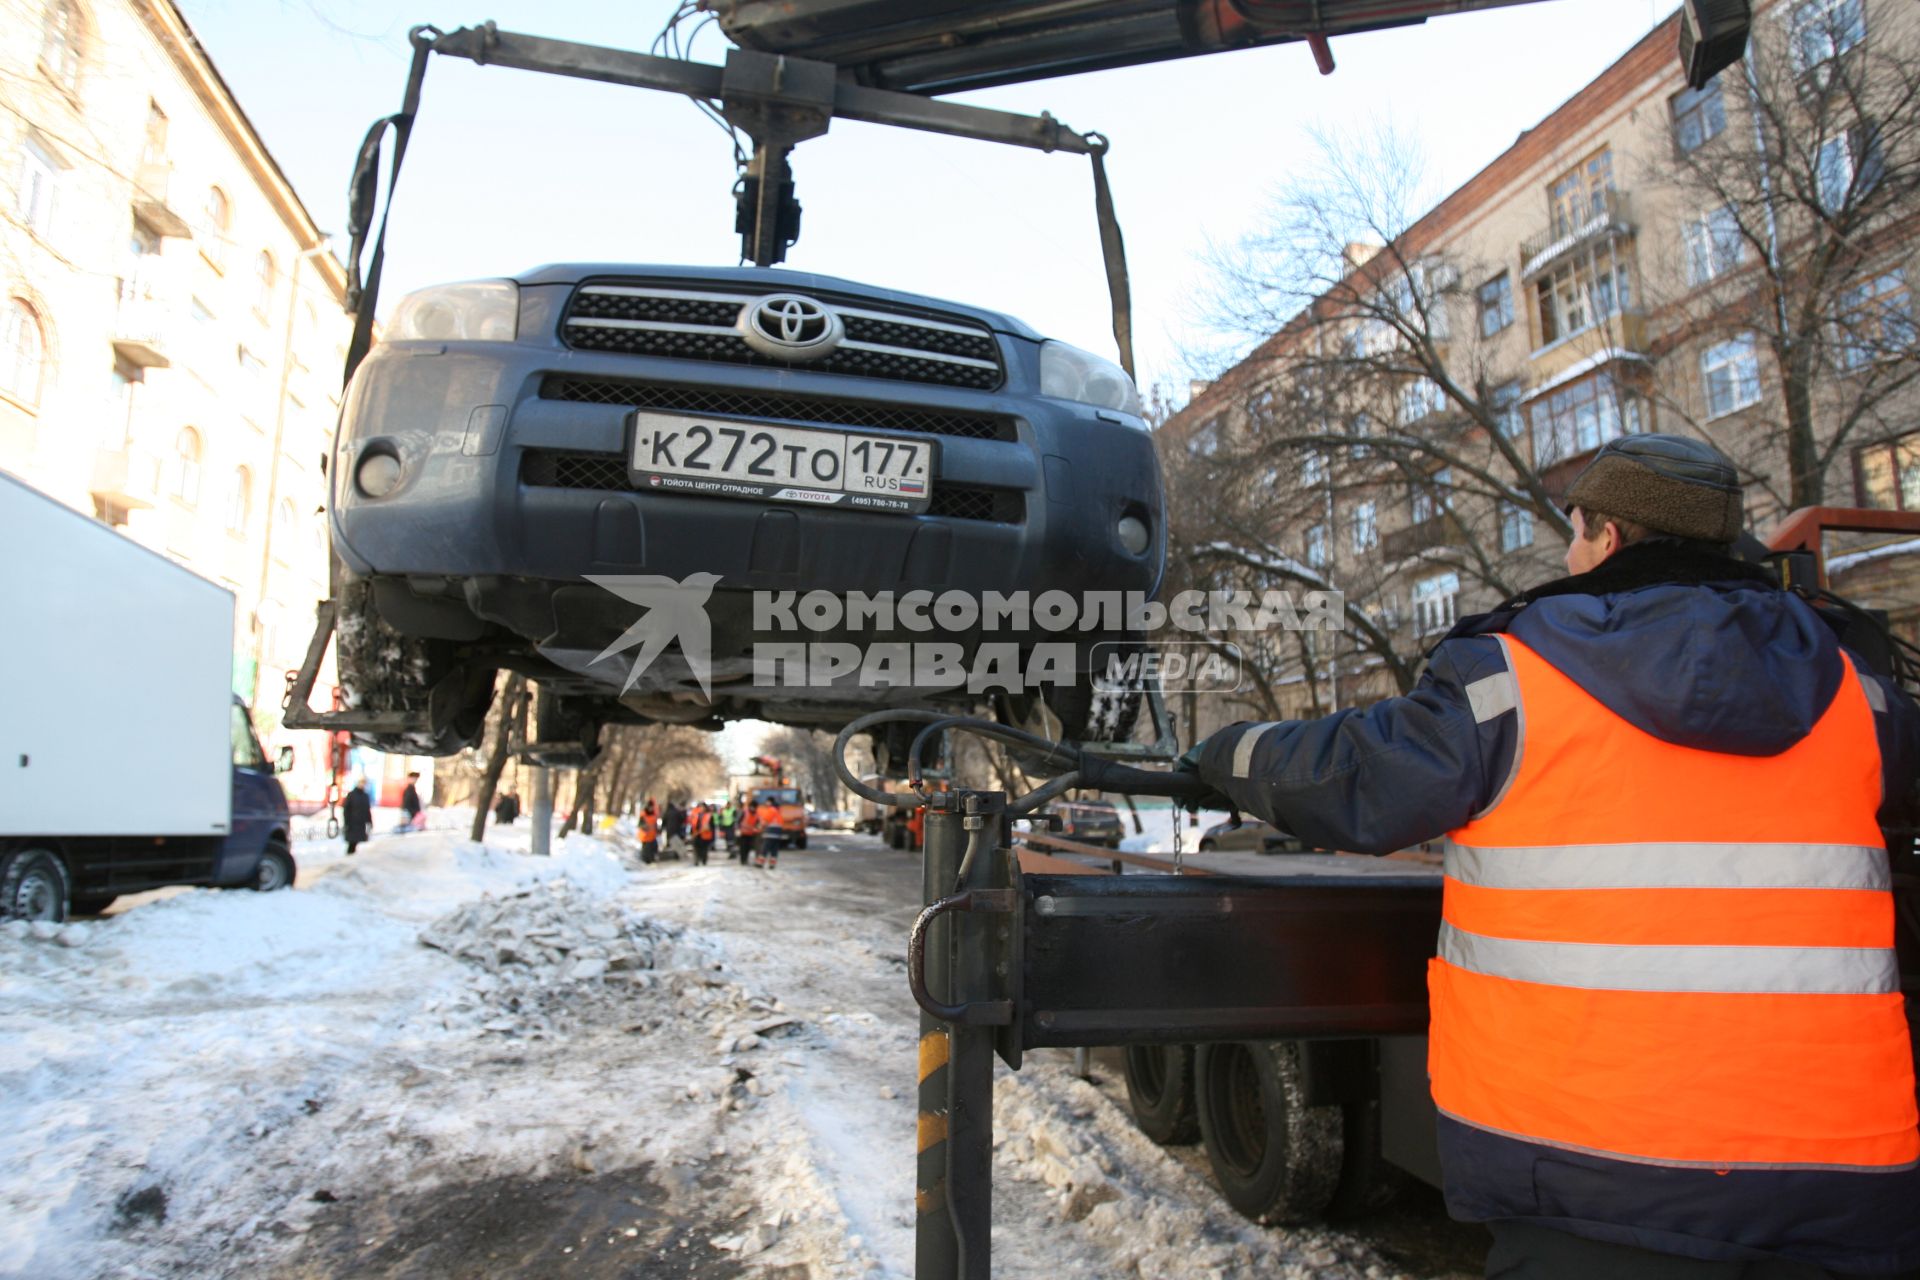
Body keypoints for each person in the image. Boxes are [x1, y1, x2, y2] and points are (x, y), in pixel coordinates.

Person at [1166, 436, 1920, 1280]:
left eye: (1576, 532)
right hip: (1836, 1178)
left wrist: (1222, 755)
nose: (1569, 554)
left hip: (1589, 1171)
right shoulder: (1860, 691)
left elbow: (1355, 777)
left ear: (1608, 537)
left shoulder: (1518, 674)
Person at [341, 777, 372, 856]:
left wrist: (369, 821)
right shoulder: (351, 795)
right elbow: (346, 809)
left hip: (361, 822)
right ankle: (349, 856)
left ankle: (352, 856)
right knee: (352, 841)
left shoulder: (365, 796)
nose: (363, 785)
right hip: (352, 822)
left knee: (356, 841)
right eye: (361, 782)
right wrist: (346, 822)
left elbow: (367, 810)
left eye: (364, 783)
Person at [753, 796, 785, 869]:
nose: (766, 803)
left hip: (770, 832)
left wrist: (758, 828)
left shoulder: (771, 810)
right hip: (777, 833)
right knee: (774, 849)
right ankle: (772, 865)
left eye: (767, 801)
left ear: (770, 802)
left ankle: (760, 863)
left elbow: (765, 821)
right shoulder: (778, 810)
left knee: (765, 848)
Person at [736, 797, 760, 866]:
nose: (753, 808)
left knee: (748, 848)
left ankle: (745, 859)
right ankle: (743, 860)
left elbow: (757, 823)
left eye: (754, 807)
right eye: (752, 807)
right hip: (743, 833)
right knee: (743, 847)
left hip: (751, 834)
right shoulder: (744, 812)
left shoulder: (756, 814)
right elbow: (738, 821)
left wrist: (757, 828)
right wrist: (737, 829)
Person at [690, 802, 714, 867]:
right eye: (700, 807)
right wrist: (692, 833)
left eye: (703, 807)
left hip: (705, 835)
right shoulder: (695, 814)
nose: (701, 808)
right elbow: (692, 824)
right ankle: (696, 860)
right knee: (696, 848)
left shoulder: (709, 815)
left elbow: (712, 826)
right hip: (696, 834)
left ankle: (704, 860)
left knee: (704, 849)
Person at [638, 798, 660, 865]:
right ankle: (646, 861)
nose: (651, 808)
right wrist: (645, 827)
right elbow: (640, 824)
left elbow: (655, 824)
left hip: (652, 835)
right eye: (651, 807)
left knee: (654, 847)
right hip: (645, 835)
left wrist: (658, 830)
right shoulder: (643, 814)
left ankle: (652, 860)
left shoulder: (654, 814)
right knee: (646, 850)